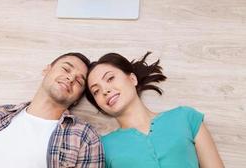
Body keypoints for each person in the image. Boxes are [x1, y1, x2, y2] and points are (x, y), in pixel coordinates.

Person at [0, 52, 105, 168]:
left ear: (78, 98)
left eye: (79, 81)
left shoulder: (84, 136)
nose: (70, 78)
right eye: (66, 69)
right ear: (47, 70)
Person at [85, 52, 224, 168]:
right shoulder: (101, 146)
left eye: (110, 78)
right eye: (96, 91)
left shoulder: (185, 117)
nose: (105, 90)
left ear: (132, 79)